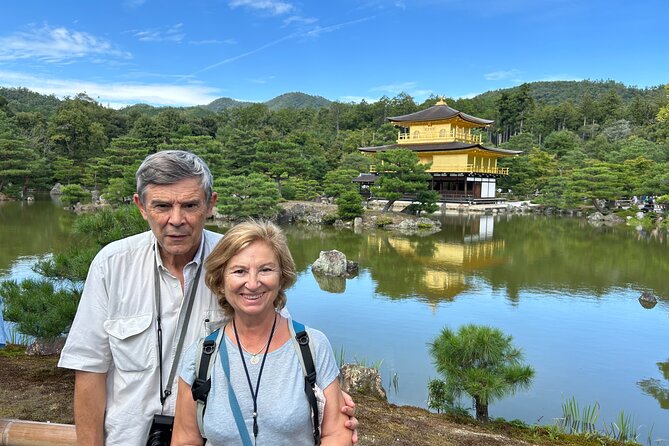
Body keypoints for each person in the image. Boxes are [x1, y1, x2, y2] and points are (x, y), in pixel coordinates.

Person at [58, 150, 357, 446]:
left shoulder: (236, 261)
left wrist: (327, 408)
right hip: (127, 437)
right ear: (141, 206)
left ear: (210, 204)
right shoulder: (112, 265)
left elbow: (284, 347)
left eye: (190, 205)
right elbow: (89, 371)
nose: (176, 219)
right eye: (162, 205)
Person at [172, 220, 351, 445]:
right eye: (239, 271)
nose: (253, 283)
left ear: (281, 277)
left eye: (265, 270)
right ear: (220, 281)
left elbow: (337, 433)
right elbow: (185, 440)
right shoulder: (200, 358)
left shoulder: (312, 347)